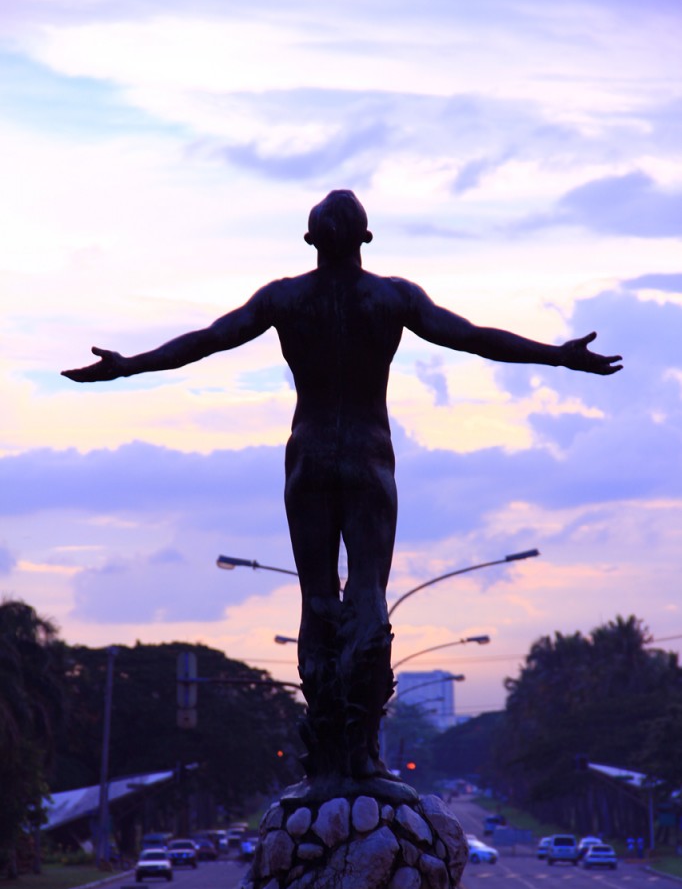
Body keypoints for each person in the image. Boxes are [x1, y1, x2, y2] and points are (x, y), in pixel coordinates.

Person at [63, 190, 622, 779]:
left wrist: (128, 365)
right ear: (366, 239)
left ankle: (327, 753)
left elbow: (204, 341)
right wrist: (557, 356)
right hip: (368, 459)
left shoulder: (284, 298)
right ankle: (360, 750)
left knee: (317, 600)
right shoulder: (392, 298)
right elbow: (475, 336)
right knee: (368, 600)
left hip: (308, 461)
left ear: (309, 241)